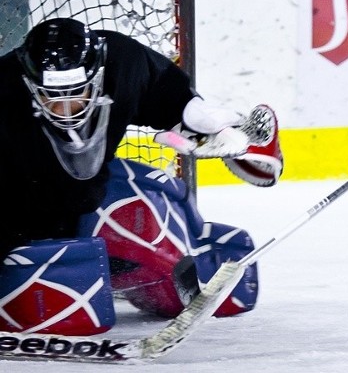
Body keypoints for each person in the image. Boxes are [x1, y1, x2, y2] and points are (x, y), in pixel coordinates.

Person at [0, 17, 282, 335]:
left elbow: (169, 95)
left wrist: (205, 123)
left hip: (88, 200)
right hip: (19, 216)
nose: (66, 108)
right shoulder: (4, 93)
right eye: (53, 97)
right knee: (67, 309)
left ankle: (196, 252)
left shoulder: (123, 63)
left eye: (75, 93)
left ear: (97, 76)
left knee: (151, 226)